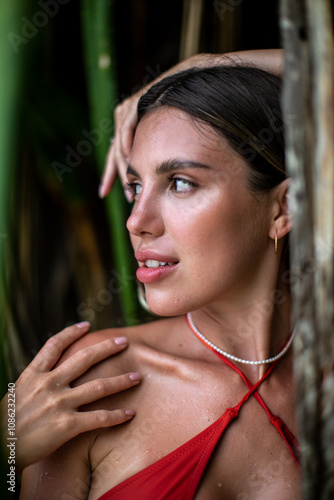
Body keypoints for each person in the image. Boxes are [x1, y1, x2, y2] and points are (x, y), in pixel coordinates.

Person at [2, 50, 301, 499]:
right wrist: (5, 451)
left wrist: (199, 64)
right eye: (136, 186)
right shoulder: (90, 381)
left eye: (180, 182)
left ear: (283, 208)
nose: (136, 221)